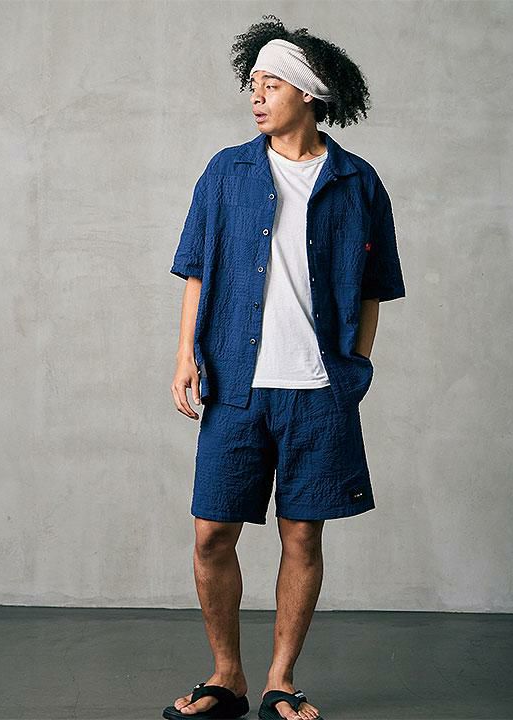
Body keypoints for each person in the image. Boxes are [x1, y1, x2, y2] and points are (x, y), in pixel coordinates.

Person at [164, 15, 405, 720]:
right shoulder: (227, 171)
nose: (256, 96)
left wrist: (356, 366)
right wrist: (184, 354)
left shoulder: (358, 182)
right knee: (212, 533)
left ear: (308, 93)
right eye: (254, 83)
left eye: (271, 84)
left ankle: (278, 681)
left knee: (302, 534)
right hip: (237, 385)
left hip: (319, 391)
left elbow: (373, 289)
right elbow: (197, 270)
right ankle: (226, 677)